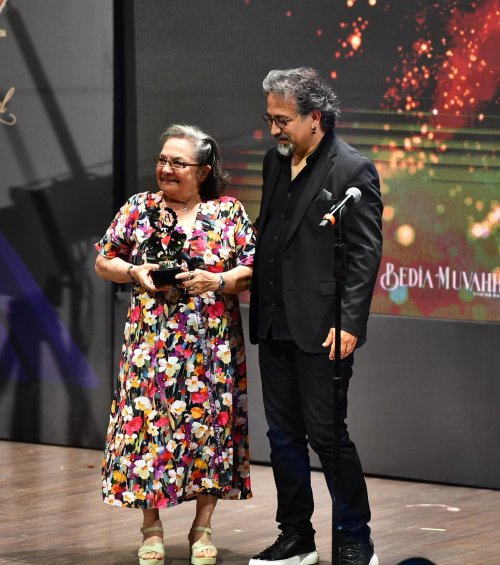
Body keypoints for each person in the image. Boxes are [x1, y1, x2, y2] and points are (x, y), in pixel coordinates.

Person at [94, 124, 255, 565]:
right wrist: (134, 272)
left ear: (203, 170)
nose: (166, 169)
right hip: (150, 345)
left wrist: (216, 280)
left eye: (177, 163)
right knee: (147, 430)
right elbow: (103, 260)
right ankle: (151, 529)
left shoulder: (227, 212)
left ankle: (202, 528)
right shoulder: (139, 208)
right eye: (162, 160)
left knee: (210, 431)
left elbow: (251, 270)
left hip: (211, 347)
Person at [248, 68, 383, 565]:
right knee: (282, 437)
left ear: (315, 118)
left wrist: (350, 322)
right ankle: (295, 536)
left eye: (282, 120)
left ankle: (355, 536)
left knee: (327, 436)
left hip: (324, 327)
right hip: (273, 321)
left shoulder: (352, 170)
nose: (274, 129)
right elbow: (271, 232)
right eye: (269, 118)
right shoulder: (274, 162)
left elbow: (365, 254)